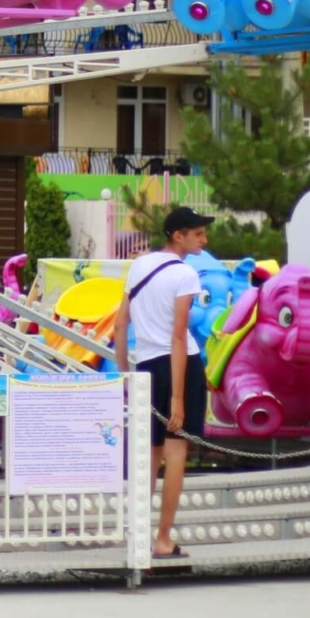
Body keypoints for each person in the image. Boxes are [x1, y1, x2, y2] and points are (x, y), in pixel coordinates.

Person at [113, 205, 214, 561]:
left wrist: (127, 376)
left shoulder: (139, 266)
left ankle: (138, 534)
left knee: (151, 454)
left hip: (145, 366)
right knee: (175, 454)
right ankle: (163, 539)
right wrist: (177, 398)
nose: (204, 239)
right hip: (179, 366)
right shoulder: (185, 274)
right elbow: (177, 336)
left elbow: (120, 325)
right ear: (178, 235)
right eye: (198, 233)